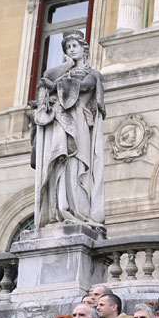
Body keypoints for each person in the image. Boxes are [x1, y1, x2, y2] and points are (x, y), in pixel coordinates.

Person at [31, 30, 104, 228]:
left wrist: (55, 86)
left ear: (84, 49)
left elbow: (85, 86)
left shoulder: (93, 74)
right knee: (59, 164)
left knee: (76, 165)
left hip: (79, 122)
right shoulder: (64, 70)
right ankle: (60, 208)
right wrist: (67, 66)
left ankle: (78, 211)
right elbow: (46, 76)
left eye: (75, 46)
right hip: (60, 122)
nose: (71, 50)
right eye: (68, 48)